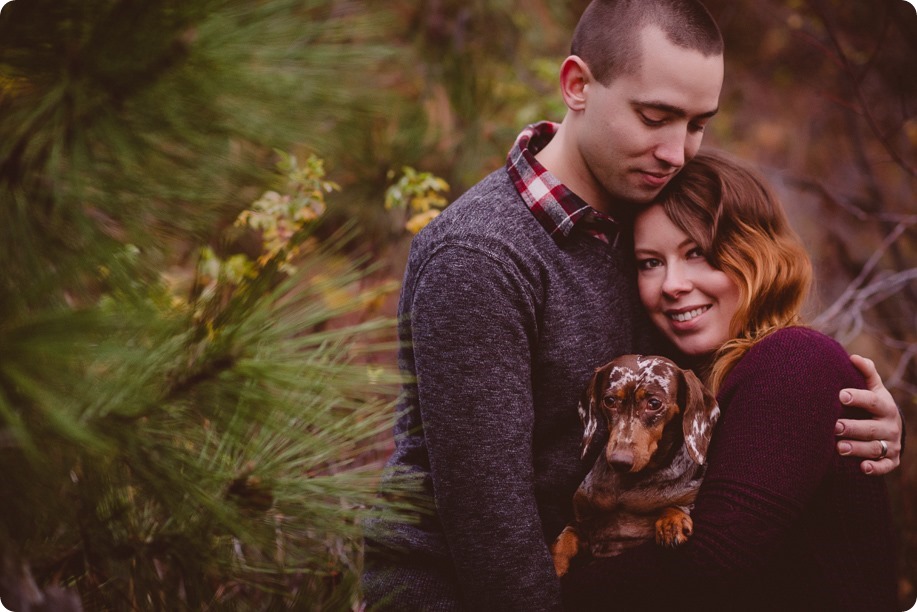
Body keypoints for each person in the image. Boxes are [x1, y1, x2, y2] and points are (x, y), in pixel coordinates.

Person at [362, 1, 903, 610]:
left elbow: (735, 348)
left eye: (697, 124)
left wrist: (832, 412)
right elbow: (492, 532)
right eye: (656, 117)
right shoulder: (481, 257)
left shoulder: (646, 219)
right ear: (577, 86)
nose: (677, 152)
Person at [561, 150, 898, 610]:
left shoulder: (793, 361)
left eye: (696, 253)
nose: (672, 284)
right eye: (649, 263)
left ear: (755, 252)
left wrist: (546, 598)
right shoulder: (693, 375)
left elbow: (715, 560)